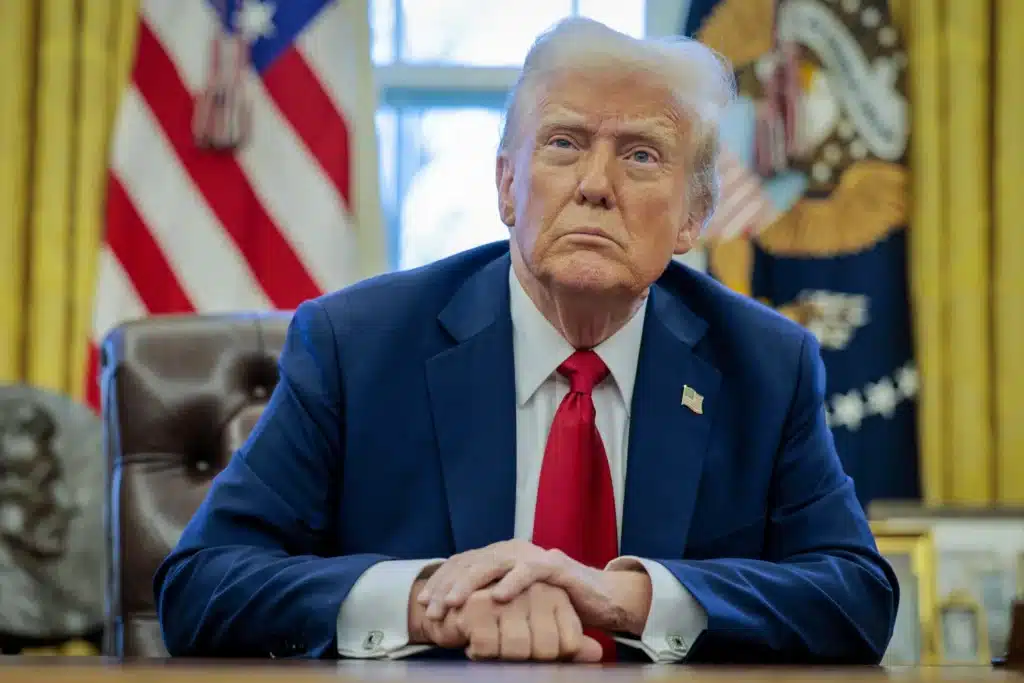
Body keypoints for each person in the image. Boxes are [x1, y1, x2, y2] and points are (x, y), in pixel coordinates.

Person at [154, 17, 898, 663]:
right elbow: (202, 583)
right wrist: (428, 602)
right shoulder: (358, 344)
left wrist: (628, 597)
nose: (596, 184)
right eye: (564, 144)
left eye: (641, 154)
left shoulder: (765, 363)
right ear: (507, 186)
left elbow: (855, 594)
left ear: (693, 217)